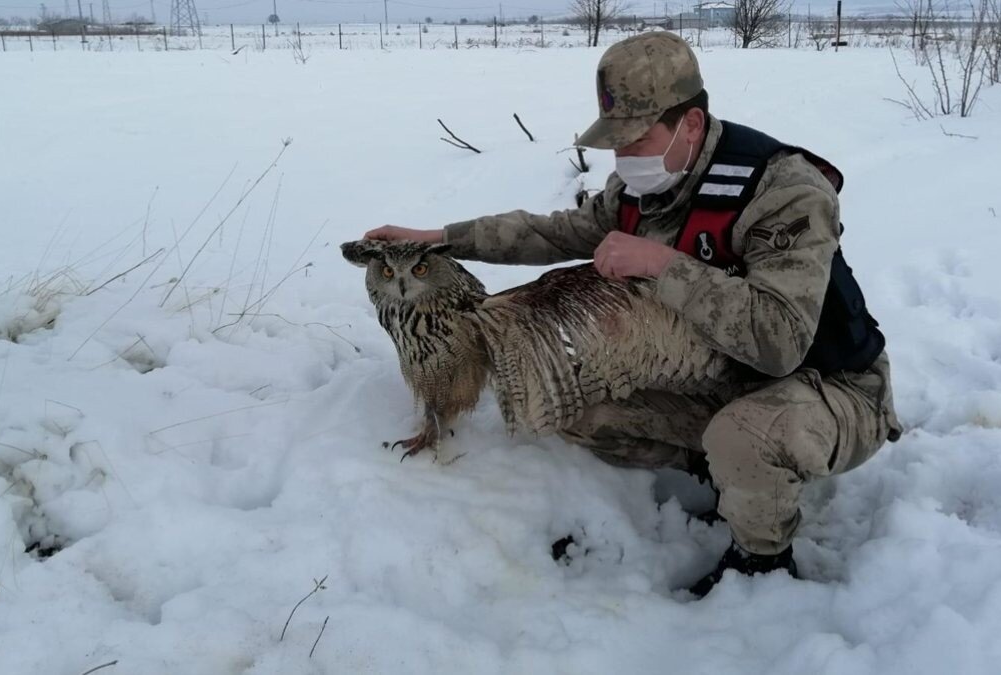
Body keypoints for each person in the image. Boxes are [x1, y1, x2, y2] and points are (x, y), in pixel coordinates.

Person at [365, 31, 902, 597]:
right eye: (615, 143)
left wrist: (662, 264)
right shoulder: (644, 186)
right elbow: (553, 233)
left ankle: (761, 565)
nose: (624, 159)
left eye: (638, 139)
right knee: (581, 410)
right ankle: (728, 475)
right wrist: (441, 239)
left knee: (742, 435)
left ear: (690, 124)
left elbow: (780, 341)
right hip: (730, 376)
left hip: (832, 386)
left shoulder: (784, 192)